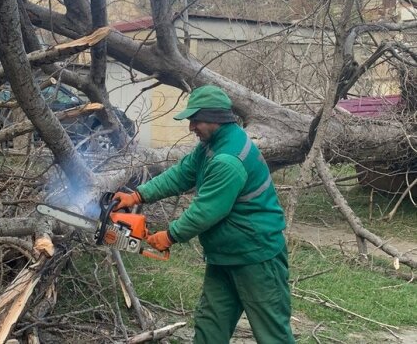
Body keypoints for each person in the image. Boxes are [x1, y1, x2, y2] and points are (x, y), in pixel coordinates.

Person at [114, 85, 294, 344]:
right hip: (225, 255)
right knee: (210, 328)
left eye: (195, 120)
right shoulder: (213, 144)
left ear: (215, 118)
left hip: (256, 256)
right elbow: (182, 173)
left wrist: (171, 235)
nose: (191, 127)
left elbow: (207, 210)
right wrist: (137, 195)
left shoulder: (228, 159)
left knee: (271, 333)